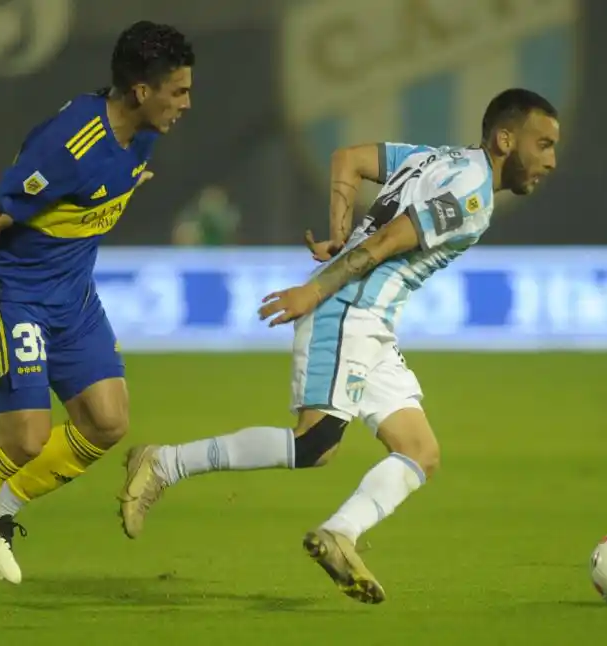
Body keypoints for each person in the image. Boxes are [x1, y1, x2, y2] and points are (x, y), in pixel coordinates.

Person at [117, 88, 559, 605]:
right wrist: (318, 286)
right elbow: (388, 240)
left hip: (370, 321)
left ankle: (340, 534)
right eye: (543, 144)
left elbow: (347, 159)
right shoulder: (473, 197)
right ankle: (165, 464)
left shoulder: (437, 159)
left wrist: (339, 232)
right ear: (506, 139)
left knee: (420, 452)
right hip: (349, 308)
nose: (550, 160)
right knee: (314, 444)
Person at [0, 21, 194, 614]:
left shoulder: (142, 134)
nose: (187, 104)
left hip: (73, 296)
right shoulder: (66, 147)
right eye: (179, 92)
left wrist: (130, 181)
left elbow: (103, 188)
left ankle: (0, 512)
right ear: (142, 91)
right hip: (12, 295)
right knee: (26, 437)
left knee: (107, 422)